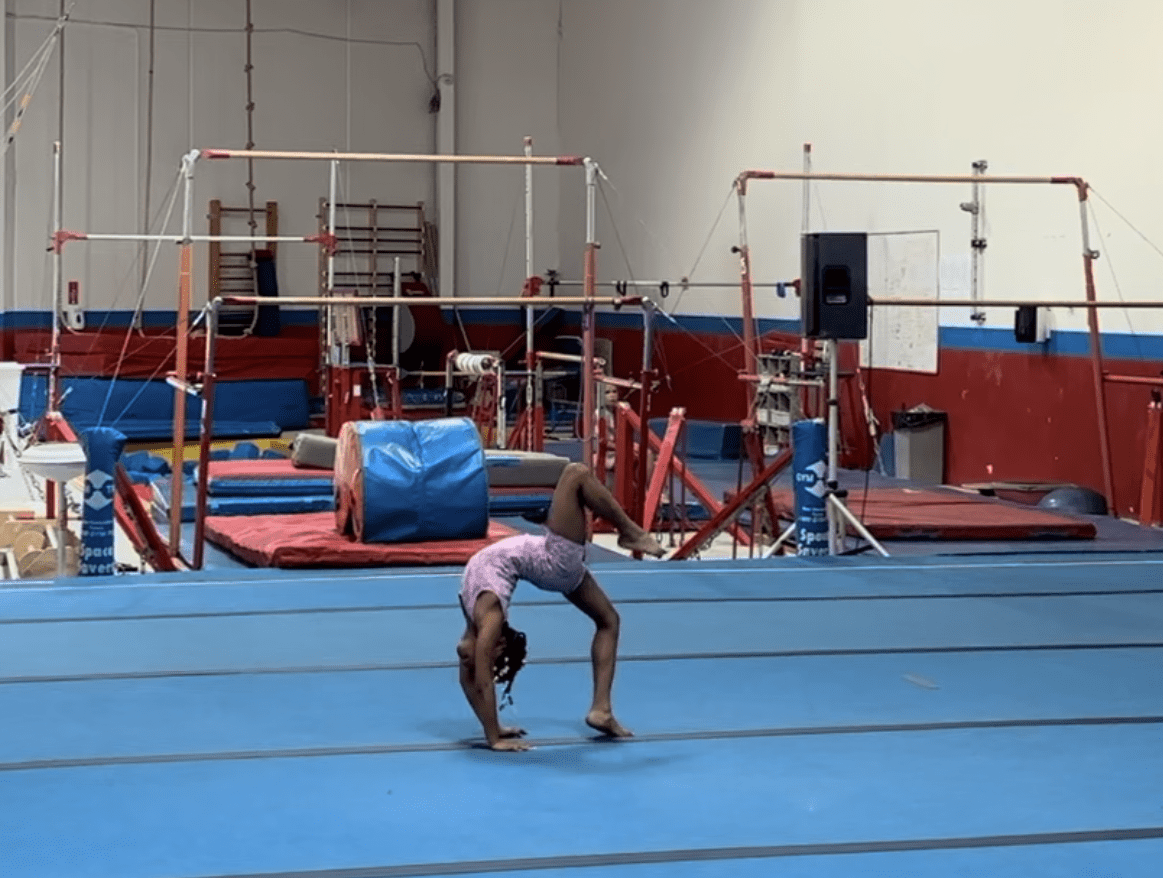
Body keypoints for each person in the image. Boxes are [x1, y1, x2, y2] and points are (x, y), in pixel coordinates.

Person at [456, 461, 665, 751]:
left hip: (549, 561)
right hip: (553, 561)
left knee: (609, 621)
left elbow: (472, 680)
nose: (466, 657)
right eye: (487, 653)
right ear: (498, 644)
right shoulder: (490, 617)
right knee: (576, 474)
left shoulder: (473, 614)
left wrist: (495, 728)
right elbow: (481, 680)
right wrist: (494, 738)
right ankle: (630, 532)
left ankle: (601, 710)